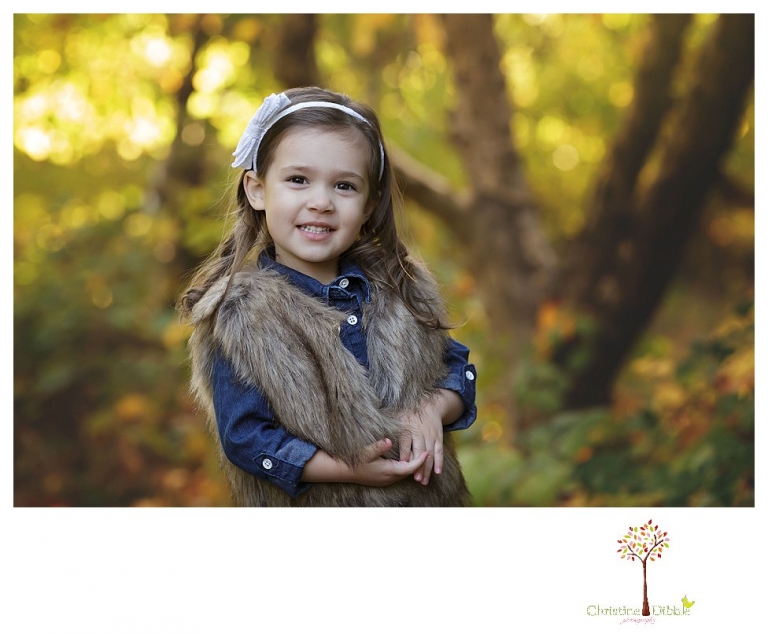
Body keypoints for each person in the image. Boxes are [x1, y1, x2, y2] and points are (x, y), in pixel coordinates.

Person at [178, 86, 477, 506]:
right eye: (298, 180)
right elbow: (246, 439)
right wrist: (348, 469)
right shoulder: (238, 318)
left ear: (370, 204)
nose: (321, 202)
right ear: (258, 189)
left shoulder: (401, 287)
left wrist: (432, 410)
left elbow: (457, 368)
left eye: (344, 186)